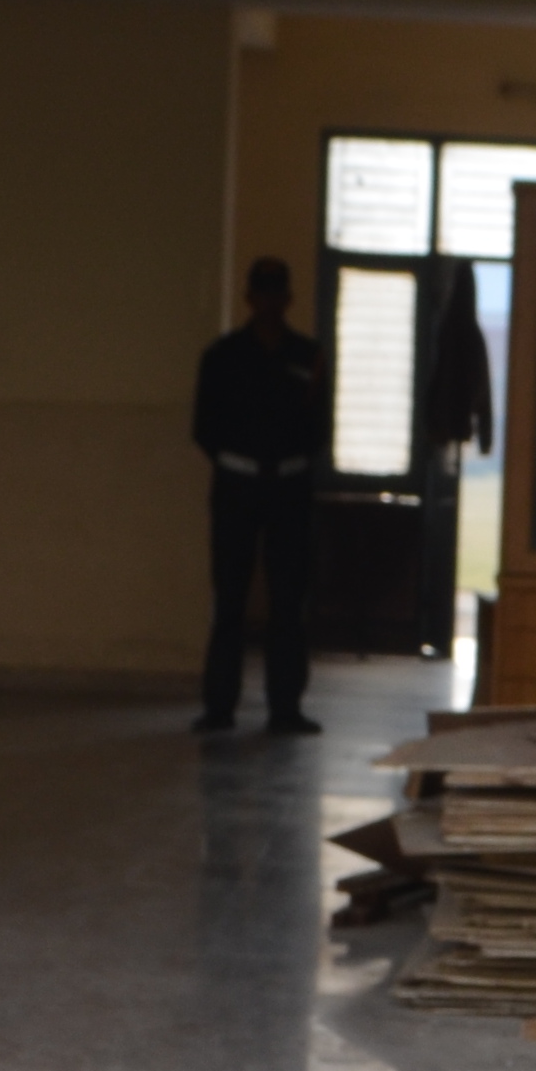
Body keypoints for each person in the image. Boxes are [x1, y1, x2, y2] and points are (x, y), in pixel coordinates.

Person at [191, 254, 325, 735]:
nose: (269, 302)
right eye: (262, 293)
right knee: (229, 596)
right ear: (249, 298)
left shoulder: (309, 356)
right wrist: (241, 462)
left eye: (277, 293)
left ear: (288, 299)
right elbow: (204, 427)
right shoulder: (222, 356)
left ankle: (285, 708)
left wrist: (288, 463)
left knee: (288, 600)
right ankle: (219, 706)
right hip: (238, 486)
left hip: (289, 489)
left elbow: (318, 427)